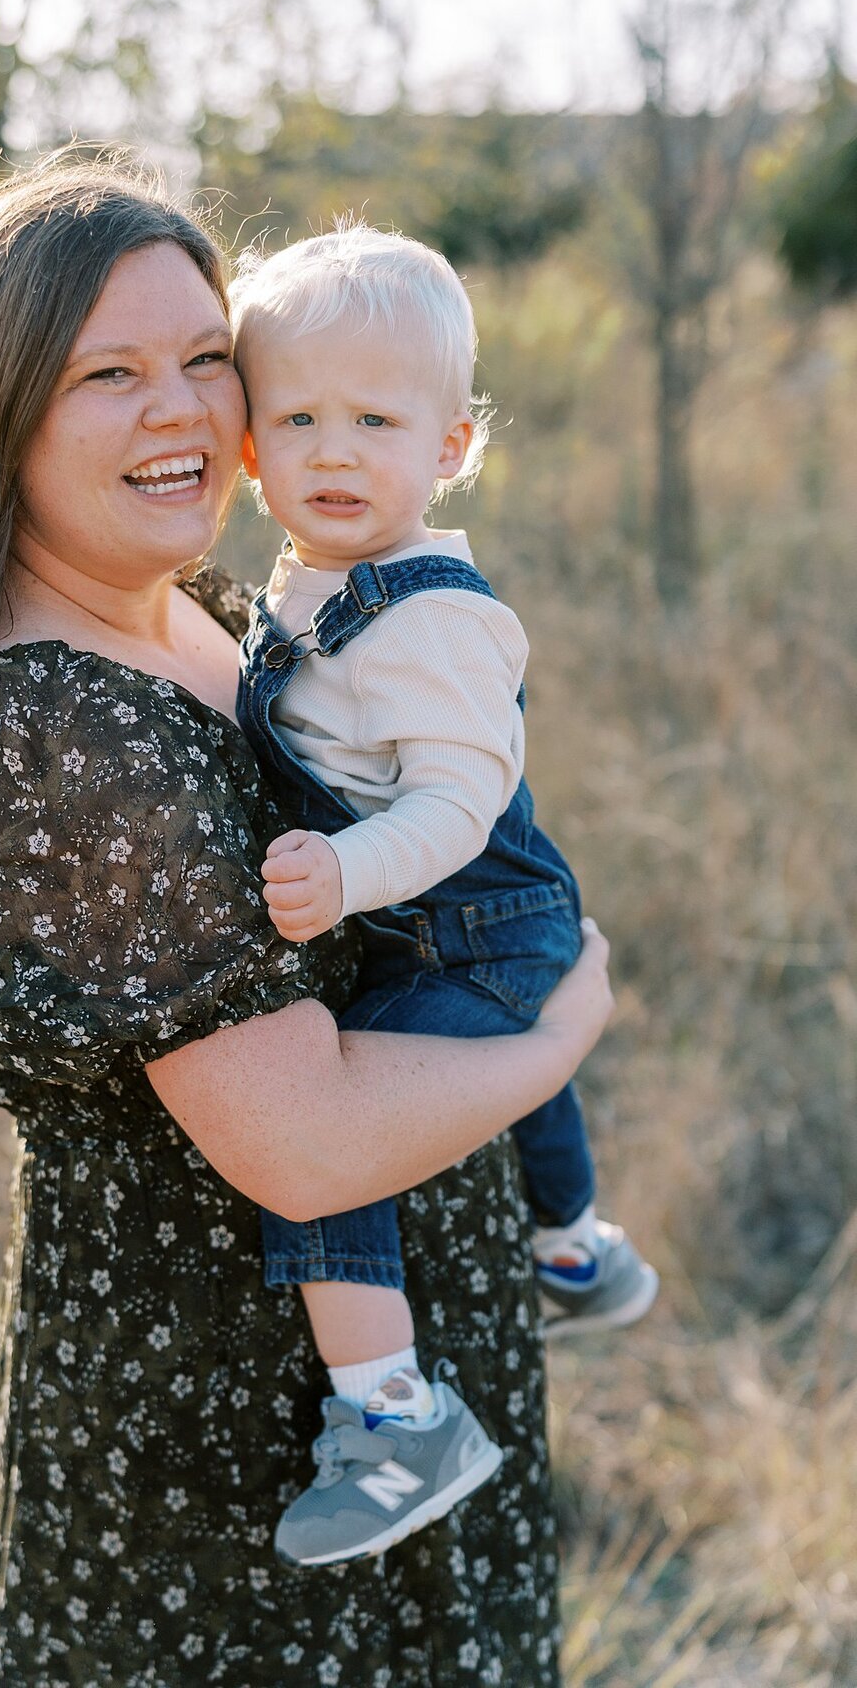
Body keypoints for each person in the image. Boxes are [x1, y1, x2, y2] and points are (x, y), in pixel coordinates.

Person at [0, 151, 614, 1688]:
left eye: (205, 360)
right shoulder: (50, 727)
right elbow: (301, 1145)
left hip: (395, 1364)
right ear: (3, 409)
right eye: (111, 371)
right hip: (231, 1450)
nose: (180, 409)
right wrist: (564, 1026)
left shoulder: (215, 613)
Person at [228, 224, 657, 1569]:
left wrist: (351, 869)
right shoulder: (304, 591)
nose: (336, 450)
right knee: (516, 1081)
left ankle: (396, 1414)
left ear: (454, 444)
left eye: (375, 418)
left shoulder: (436, 616)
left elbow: (457, 807)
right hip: (442, 925)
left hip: (472, 923)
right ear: (249, 449)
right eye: (297, 416)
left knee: (327, 1137)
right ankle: (578, 1247)